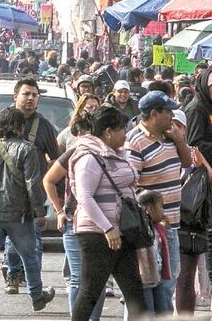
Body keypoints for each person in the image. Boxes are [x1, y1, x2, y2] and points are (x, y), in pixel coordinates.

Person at [0, 107, 56, 316]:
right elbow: (32, 184)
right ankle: (36, 297)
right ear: (20, 127)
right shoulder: (27, 150)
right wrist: (39, 211)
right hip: (18, 214)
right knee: (29, 256)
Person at [0, 77, 59, 294]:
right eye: (26, 94)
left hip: (34, 192)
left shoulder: (44, 125)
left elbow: (56, 160)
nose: (30, 99)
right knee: (8, 240)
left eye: (35, 95)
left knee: (33, 239)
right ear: (15, 96)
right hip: (3, 193)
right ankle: (14, 275)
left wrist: (56, 190)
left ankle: (32, 284)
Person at [68, 104, 145, 320]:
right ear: (108, 132)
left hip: (122, 231)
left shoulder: (117, 153)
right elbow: (84, 198)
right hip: (97, 233)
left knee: (134, 292)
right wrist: (107, 228)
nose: (126, 133)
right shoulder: (88, 157)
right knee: (90, 291)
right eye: (122, 128)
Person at [125, 91, 192, 314]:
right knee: (145, 286)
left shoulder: (170, 136)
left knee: (167, 285)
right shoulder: (135, 141)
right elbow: (130, 186)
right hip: (149, 229)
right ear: (154, 114)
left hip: (171, 223)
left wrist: (180, 141)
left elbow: (186, 162)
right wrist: (152, 215)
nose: (172, 116)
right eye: (168, 112)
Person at [44, 116, 106, 320]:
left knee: (97, 280)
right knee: (78, 279)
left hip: (102, 222)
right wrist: (60, 211)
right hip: (74, 221)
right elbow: (49, 180)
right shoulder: (74, 153)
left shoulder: (111, 153)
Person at [184, 66, 212, 303]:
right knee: (209, 238)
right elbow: (193, 146)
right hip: (201, 181)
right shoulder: (196, 109)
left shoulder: (210, 109)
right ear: (206, 87)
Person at [137, 189, 172, 315]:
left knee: (163, 312)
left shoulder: (156, 227)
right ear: (150, 209)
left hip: (157, 277)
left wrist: (166, 228)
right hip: (144, 280)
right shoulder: (139, 229)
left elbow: (163, 248)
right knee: (148, 313)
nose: (163, 211)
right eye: (161, 206)